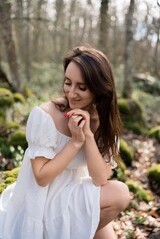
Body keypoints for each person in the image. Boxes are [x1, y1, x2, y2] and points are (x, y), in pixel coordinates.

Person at [0, 46, 131, 239]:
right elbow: (41, 177)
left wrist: (87, 135)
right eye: (68, 83)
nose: (71, 93)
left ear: (100, 89)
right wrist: (75, 143)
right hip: (42, 200)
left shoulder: (104, 120)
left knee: (118, 199)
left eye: (82, 87)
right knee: (119, 193)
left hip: (74, 193)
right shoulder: (45, 116)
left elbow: (100, 178)